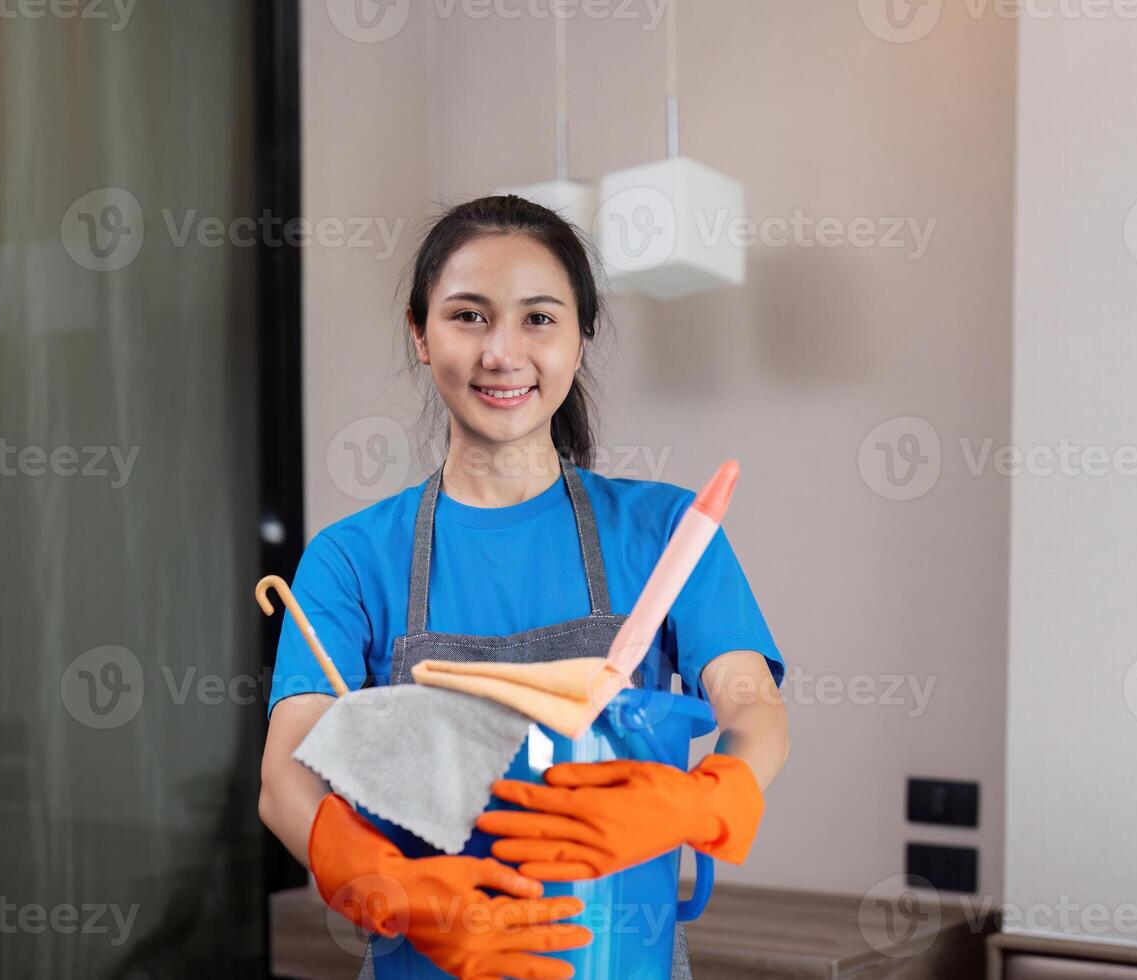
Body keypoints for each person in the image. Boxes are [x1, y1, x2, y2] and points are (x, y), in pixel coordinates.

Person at [258, 195, 790, 979]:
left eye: (539, 319)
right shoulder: (351, 557)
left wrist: (712, 795)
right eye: (468, 316)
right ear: (420, 332)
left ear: (582, 337)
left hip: (620, 956)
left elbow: (753, 704)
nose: (502, 353)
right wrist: (396, 888)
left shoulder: (669, 532)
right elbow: (286, 775)